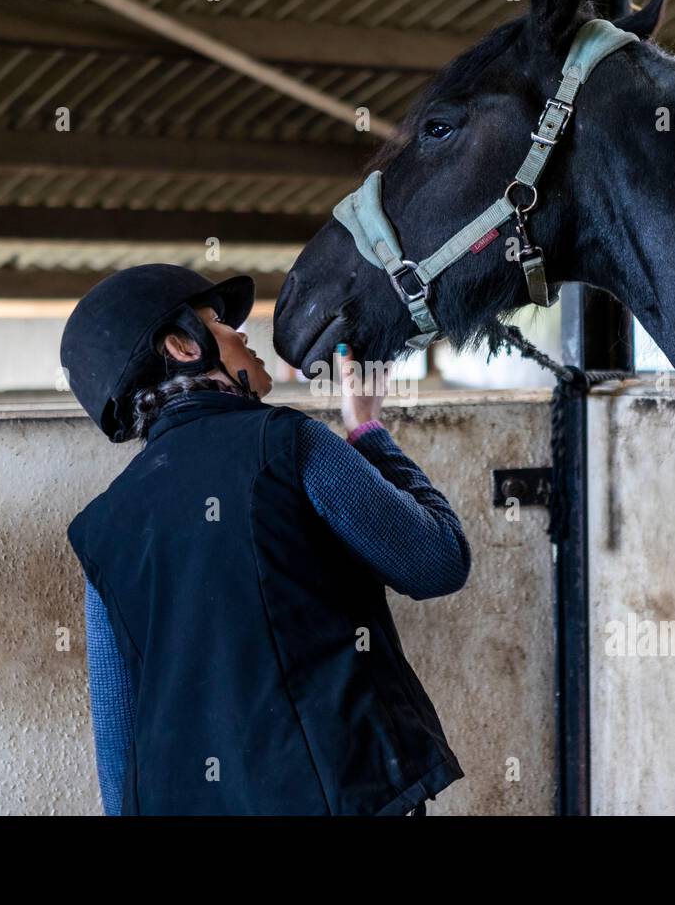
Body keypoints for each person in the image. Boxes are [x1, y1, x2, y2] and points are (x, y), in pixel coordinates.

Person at [60, 263, 471, 815]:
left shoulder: (101, 529)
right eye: (218, 322)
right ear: (183, 346)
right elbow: (437, 561)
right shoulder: (288, 443)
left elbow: (117, 732)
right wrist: (368, 430)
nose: (241, 332)